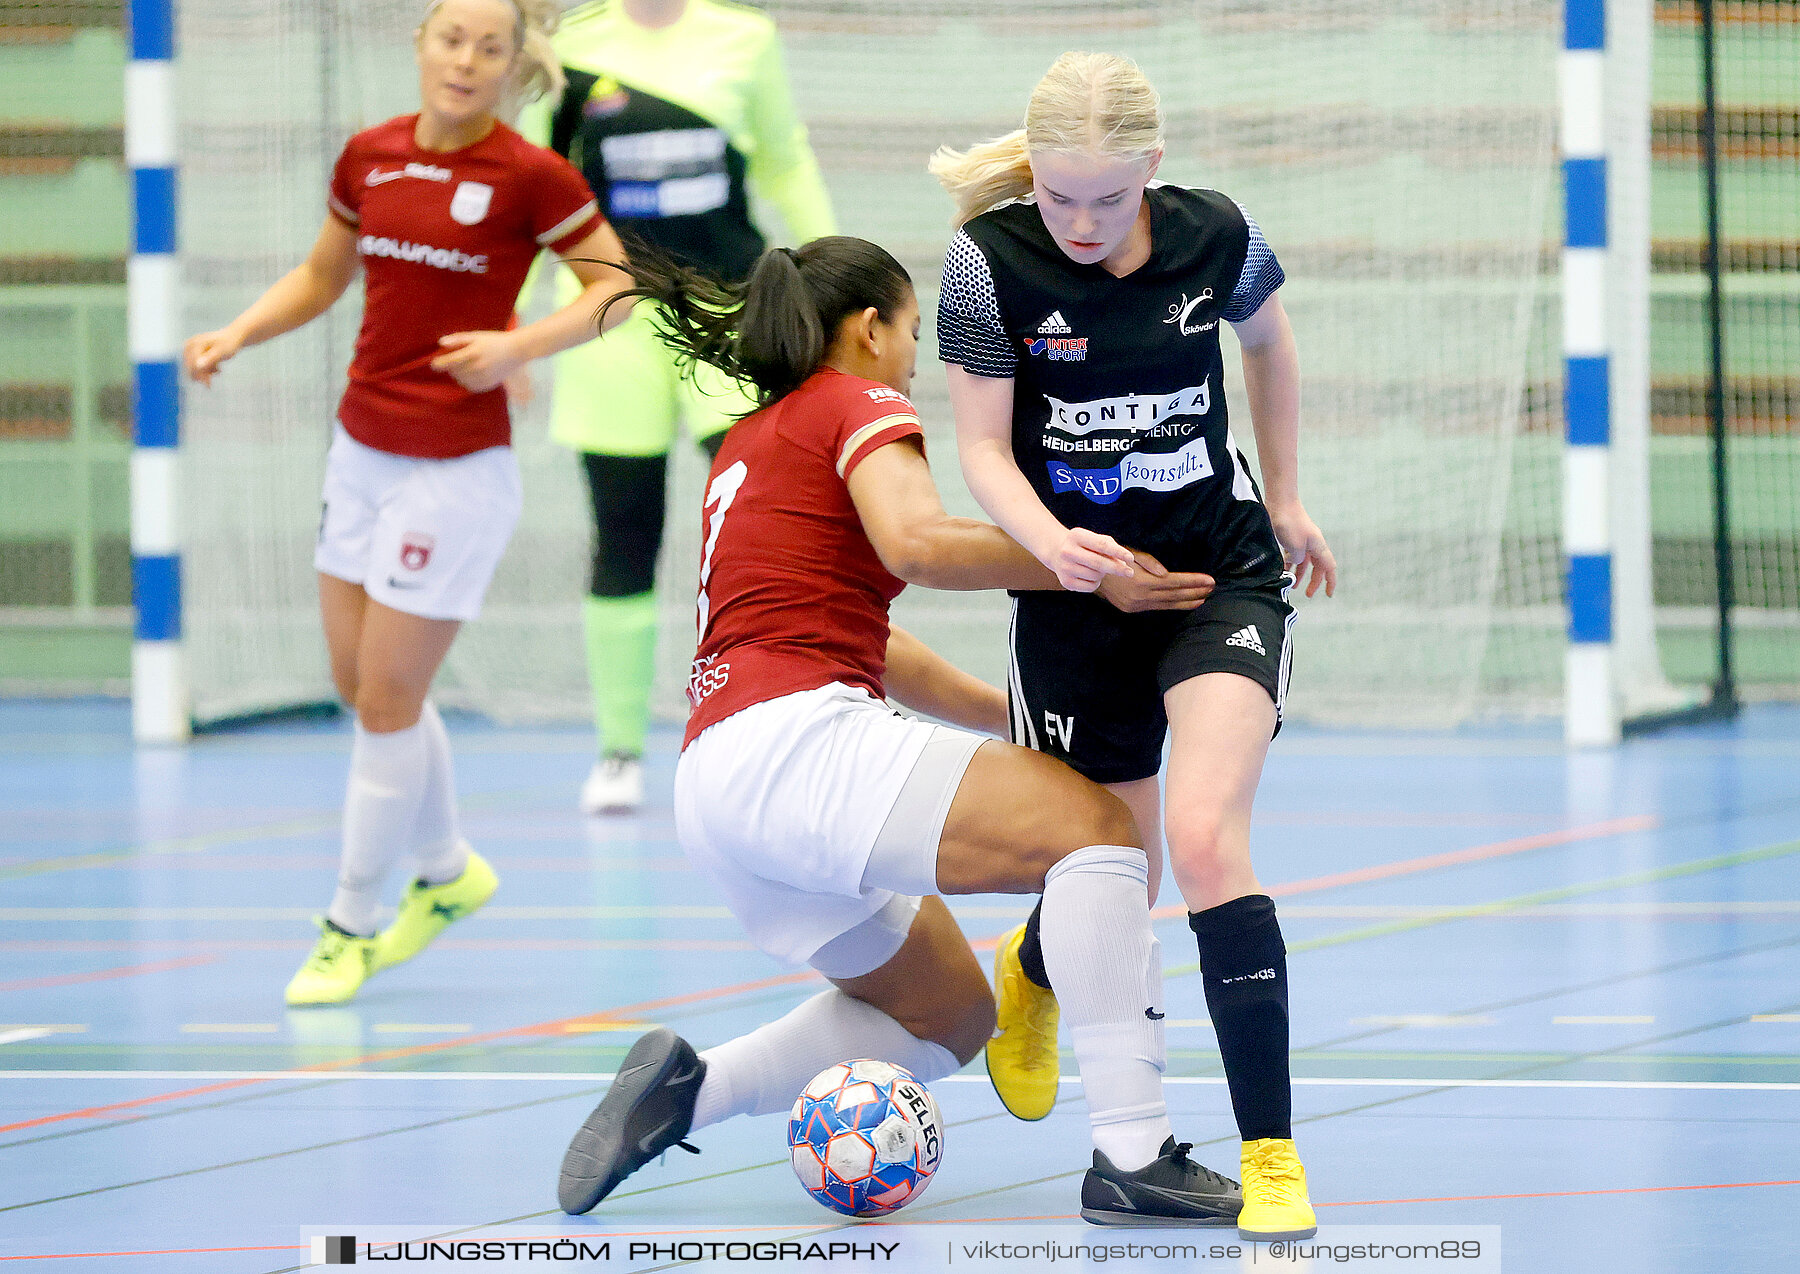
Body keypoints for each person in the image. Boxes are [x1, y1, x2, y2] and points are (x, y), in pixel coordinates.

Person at [554, 236, 1239, 1227]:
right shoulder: (859, 401)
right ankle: (1133, 1151)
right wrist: (1086, 562)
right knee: (1103, 832)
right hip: (802, 747)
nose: (914, 353)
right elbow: (915, 541)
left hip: (717, 782)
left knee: (951, 1013)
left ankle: (687, 1088)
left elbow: (871, 642)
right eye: (912, 328)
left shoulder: (750, 442)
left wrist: (1016, 720)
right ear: (868, 327)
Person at [929, 51, 1338, 1242]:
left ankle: (1269, 1156)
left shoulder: (1222, 237)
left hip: (1218, 575)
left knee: (1207, 839)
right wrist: (1057, 546)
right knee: (1121, 868)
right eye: (1062, 197)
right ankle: (1033, 970)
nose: (1086, 222)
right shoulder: (983, 265)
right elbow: (986, 452)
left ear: (1152, 170)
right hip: (1078, 596)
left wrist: (1293, 497)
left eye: (1110, 199)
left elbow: (1270, 346)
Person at [182, 0, 637, 1006]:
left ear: (515, 65)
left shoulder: (530, 176)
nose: (466, 60)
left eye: (488, 47)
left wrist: (518, 348)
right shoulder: (369, 157)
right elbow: (319, 275)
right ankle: (447, 868)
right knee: (363, 686)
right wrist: (235, 333)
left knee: (386, 699)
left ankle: (350, 919)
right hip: (361, 453)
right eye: (450, 39)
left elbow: (615, 289)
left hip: (457, 474)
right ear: (422, 46)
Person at [523, 0, 836, 814]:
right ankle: (619, 751)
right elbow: (531, 186)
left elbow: (785, 162)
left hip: (728, 314)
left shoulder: (746, 39)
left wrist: (838, 282)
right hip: (608, 319)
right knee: (623, 528)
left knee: (758, 530)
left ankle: (766, 722)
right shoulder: (569, 47)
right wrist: (510, 326)